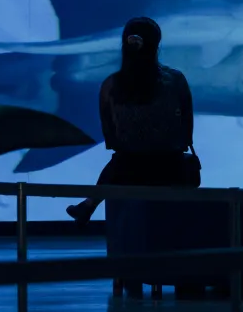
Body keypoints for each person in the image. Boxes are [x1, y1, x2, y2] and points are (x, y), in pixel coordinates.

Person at [66, 17, 196, 225]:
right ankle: (89, 204)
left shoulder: (110, 85)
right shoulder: (175, 79)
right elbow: (187, 123)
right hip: (170, 165)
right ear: (156, 45)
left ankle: (89, 204)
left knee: (121, 163)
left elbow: (109, 133)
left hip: (127, 165)